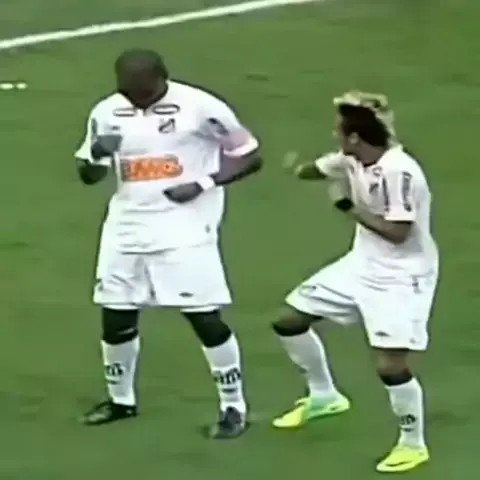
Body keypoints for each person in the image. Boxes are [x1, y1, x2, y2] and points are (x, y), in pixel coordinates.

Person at [74, 48, 262, 439]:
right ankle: (121, 401)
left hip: (185, 229)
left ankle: (233, 407)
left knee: (203, 316)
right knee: (116, 315)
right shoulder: (107, 112)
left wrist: (202, 183)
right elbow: (89, 176)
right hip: (126, 226)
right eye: (126, 90)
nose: (134, 98)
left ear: (161, 78)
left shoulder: (201, 107)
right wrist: (96, 154)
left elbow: (249, 156)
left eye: (141, 90)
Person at [272, 91, 438, 472]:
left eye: (339, 131)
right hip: (360, 265)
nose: (334, 136)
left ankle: (413, 444)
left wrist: (347, 207)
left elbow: (398, 233)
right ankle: (323, 396)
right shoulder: (351, 158)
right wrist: (297, 167)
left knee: (390, 366)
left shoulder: (400, 172)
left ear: (355, 138)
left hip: (402, 275)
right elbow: (317, 169)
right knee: (289, 321)